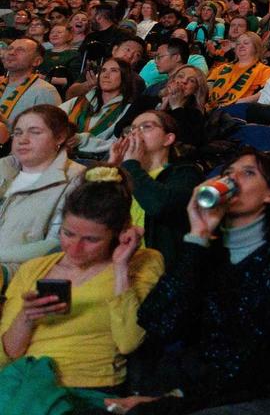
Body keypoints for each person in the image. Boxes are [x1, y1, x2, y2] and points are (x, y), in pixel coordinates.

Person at [114, 150, 270, 415]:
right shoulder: (205, 251)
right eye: (228, 173)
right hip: (194, 389)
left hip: (258, 391)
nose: (233, 180)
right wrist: (198, 235)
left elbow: (254, 351)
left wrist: (176, 400)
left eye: (248, 173)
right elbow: (158, 322)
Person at [0, 171, 162, 406]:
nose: (74, 248)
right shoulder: (33, 269)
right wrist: (26, 318)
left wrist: (120, 268)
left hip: (86, 389)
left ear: (118, 235)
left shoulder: (142, 263)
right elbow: (7, 357)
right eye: (68, 234)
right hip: (23, 381)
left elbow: (129, 342)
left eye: (91, 240)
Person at [106, 110, 204, 269]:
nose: (135, 133)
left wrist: (130, 165)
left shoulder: (185, 172)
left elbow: (159, 204)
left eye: (146, 127)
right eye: (131, 129)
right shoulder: (123, 173)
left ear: (168, 138)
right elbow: (91, 216)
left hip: (157, 269)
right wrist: (111, 167)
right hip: (113, 264)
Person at [0, 105, 84, 279]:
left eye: (35, 132)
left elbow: (58, 245)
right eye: (17, 132)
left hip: (21, 281)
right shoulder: (2, 169)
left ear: (59, 137)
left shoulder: (79, 180)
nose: (23, 140)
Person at [60, 57, 137, 159]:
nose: (106, 75)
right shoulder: (79, 101)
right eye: (103, 70)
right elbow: (51, 118)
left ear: (124, 76)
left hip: (95, 162)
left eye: (114, 71)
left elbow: (119, 144)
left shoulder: (129, 109)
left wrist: (81, 140)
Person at [0, 37, 62, 145]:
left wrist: (5, 127)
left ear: (36, 61)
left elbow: (50, 137)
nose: (11, 53)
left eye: (20, 50)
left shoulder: (45, 91)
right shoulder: (1, 83)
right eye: (10, 49)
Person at [205, 32, 270, 111]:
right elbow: (207, 85)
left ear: (256, 48)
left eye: (246, 43)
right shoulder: (222, 67)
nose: (241, 46)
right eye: (238, 44)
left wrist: (238, 102)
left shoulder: (265, 70)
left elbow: (266, 92)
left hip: (239, 109)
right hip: (211, 107)